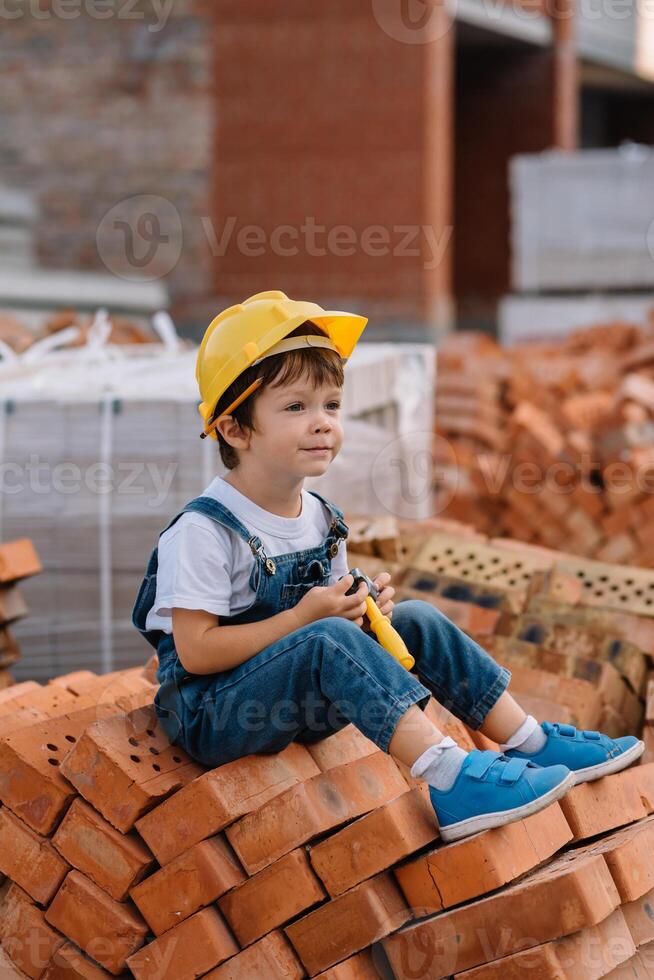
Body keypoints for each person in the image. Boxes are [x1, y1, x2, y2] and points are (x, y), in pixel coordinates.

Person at [132, 290, 644, 843]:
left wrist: (363, 612)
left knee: (415, 620)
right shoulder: (206, 530)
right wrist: (308, 619)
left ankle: (530, 740)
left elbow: (327, 628)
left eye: (331, 405)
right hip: (216, 714)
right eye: (295, 407)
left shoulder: (320, 518)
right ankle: (452, 781)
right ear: (234, 429)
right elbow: (197, 652)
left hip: (297, 696)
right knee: (325, 638)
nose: (323, 423)